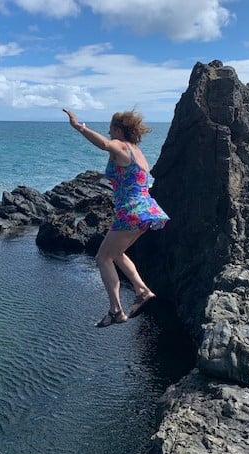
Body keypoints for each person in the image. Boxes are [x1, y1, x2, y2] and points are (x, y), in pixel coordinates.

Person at [62, 108, 169, 327]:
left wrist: (78, 127)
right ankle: (141, 290)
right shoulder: (137, 152)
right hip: (147, 211)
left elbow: (104, 145)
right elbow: (128, 176)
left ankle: (116, 310)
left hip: (130, 211)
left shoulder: (120, 147)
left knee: (102, 258)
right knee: (117, 253)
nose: (109, 133)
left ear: (119, 130)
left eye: (111, 129)